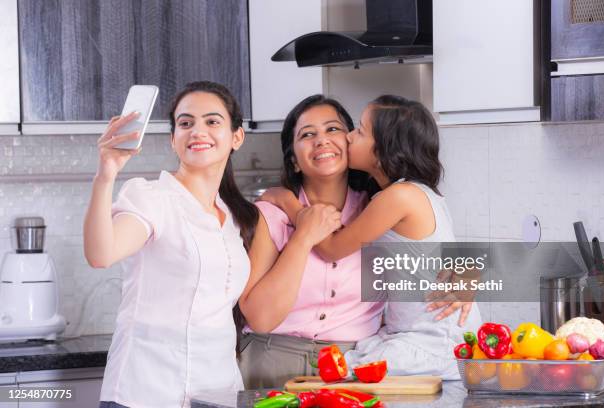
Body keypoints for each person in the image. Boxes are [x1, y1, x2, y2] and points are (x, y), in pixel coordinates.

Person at [262, 95, 482, 379]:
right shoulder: (408, 194)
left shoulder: (398, 198)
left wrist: (288, 202)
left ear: (382, 152)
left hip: (430, 340)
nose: (349, 137)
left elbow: (330, 248)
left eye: (360, 132)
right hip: (422, 334)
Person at [85, 81, 256, 408]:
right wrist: (105, 175)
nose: (198, 131)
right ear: (173, 139)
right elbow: (100, 254)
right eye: (186, 123)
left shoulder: (233, 217)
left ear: (237, 137)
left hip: (217, 393)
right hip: (146, 391)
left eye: (212, 121)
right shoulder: (151, 198)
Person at [237, 95, 384, 389]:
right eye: (307, 134)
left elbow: (429, 263)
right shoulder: (269, 215)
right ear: (293, 159)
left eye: (332, 129)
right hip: (271, 359)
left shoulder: (380, 210)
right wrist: (302, 237)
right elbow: (261, 318)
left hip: (356, 366)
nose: (321, 140)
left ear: (351, 141)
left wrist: (463, 277)